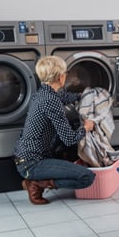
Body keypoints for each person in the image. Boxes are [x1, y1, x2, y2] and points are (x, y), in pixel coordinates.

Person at [13, 55, 96, 205]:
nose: (66, 75)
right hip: (32, 163)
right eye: (66, 73)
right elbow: (69, 139)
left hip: (27, 156)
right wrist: (86, 128)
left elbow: (65, 97)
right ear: (60, 77)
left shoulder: (43, 93)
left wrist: (83, 95)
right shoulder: (51, 101)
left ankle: (39, 177)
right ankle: (37, 183)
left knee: (69, 126)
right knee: (87, 177)